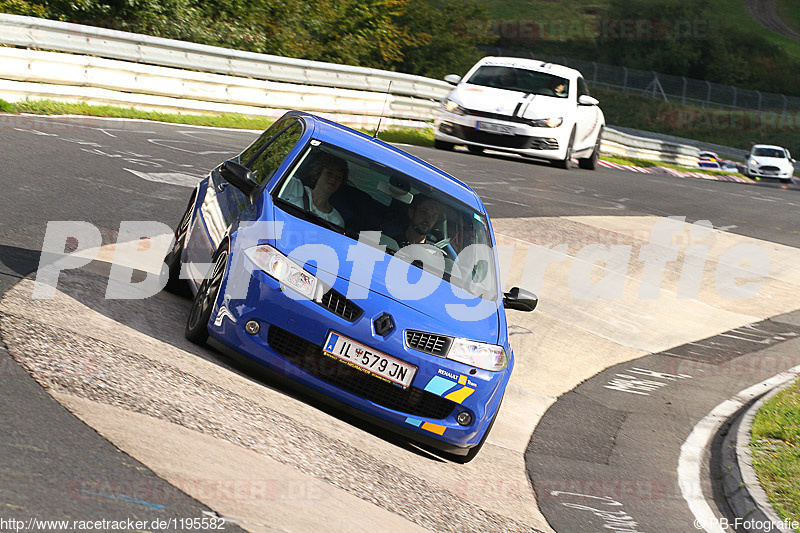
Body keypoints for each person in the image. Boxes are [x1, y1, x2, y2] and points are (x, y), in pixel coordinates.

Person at [283, 153, 347, 226]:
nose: (333, 180)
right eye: (329, 173)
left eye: (338, 178)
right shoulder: (293, 186)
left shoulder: (336, 221)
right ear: (318, 174)